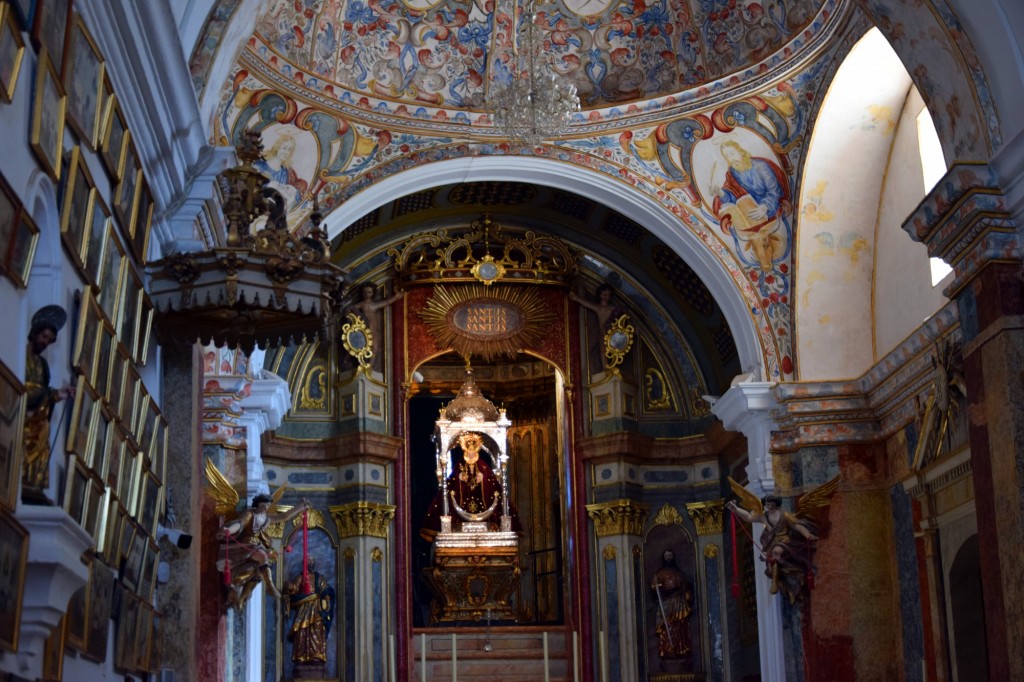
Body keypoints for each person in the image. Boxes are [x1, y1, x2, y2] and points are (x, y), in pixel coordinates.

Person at [419, 432, 521, 541]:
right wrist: (459, 478)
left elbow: (491, 485)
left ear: (476, 450)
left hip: (484, 511)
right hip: (461, 513)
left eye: (473, 451)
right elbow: (451, 484)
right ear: (465, 450)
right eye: (469, 451)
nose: (471, 454)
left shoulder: (483, 467)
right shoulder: (459, 466)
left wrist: (483, 478)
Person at [218, 494, 312, 609]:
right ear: (258, 504)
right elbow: (239, 524)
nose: (266, 508)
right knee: (263, 556)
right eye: (264, 505)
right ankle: (270, 585)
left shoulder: (266, 518)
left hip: (257, 545)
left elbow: (284, 517)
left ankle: (241, 598)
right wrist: (229, 530)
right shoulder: (250, 514)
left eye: (268, 505)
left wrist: (301, 507)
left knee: (256, 573)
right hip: (246, 545)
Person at [710, 140, 792, 271]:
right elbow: (732, 196)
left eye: (732, 153)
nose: (731, 158)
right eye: (727, 156)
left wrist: (764, 206)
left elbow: (774, 190)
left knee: (764, 238)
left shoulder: (760, 166)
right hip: (749, 214)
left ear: (741, 152)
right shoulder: (732, 173)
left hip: (768, 210)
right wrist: (720, 193)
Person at [22, 305, 76, 502]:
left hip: (38, 421)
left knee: (42, 446)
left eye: (49, 340)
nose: (45, 342)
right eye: (44, 337)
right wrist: (45, 394)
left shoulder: (43, 364)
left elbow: (44, 392)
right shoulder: (20, 354)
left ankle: (31, 485)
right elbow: (22, 387)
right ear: (35, 333)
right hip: (21, 418)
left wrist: (59, 394)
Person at [726, 494, 818, 603]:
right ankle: (780, 581)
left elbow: (797, 525)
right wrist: (736, 509)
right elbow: (748, 517)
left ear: (776, 504)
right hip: (771, 543)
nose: (769, 507)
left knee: (776, 552)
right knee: (769, 564)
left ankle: (774, 582)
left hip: (784, 541)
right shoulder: (764, 516)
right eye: (767, 504)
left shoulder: (785, 515)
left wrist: (807, 535)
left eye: (772, 504)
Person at [283, 557, 335, 669]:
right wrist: (289, 586)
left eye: (311, 561)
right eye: (307, 561)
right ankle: (300, 656)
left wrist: (326, 597)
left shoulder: (319, 578)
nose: (309, 563)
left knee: (317, 631)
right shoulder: (300, 578)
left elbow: (325, 589)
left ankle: (317, 656)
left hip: (316, 610)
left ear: (314, 564)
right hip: (303, 610)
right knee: (301, 632)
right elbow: (294, 589)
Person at [347, 282, 404, 371]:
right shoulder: (362, 304)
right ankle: (358, 362)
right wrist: (349, 311)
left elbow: (386, 302)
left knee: (375, 347)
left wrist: (396, 298)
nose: (367, 294)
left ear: (373, 293)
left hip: (374, 329)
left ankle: (370, 366)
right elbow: (351, 308)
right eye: (365, 292)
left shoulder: (374, 305)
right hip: (364, 329)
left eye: (369, 292)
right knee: (361, 346)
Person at [650, 549, 694, 658]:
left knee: (680, 625)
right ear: (664, 558)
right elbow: (655, 592)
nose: (668, 558)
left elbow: (687, 588)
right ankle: (668, 649)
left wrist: (688, 593)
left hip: (680, 603)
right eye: (666, 556)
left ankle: (681, 648)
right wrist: (655, 588)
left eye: (670, 555)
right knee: (667, 626)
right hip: (667, 604)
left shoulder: (680, 574)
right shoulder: (660, 574)